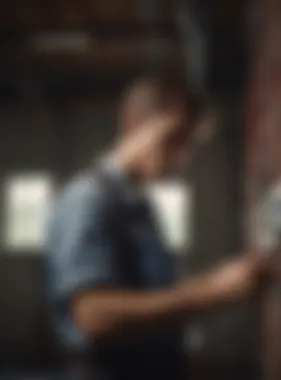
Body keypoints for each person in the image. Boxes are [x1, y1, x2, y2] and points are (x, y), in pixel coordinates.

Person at [45, 71, 267, 380]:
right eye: (173, 139)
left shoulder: (138, 204)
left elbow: (148, 291)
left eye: (187, 144)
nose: (181, 158)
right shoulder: (89, 200)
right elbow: (94, 316)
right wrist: (211, 291)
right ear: (133, 123)